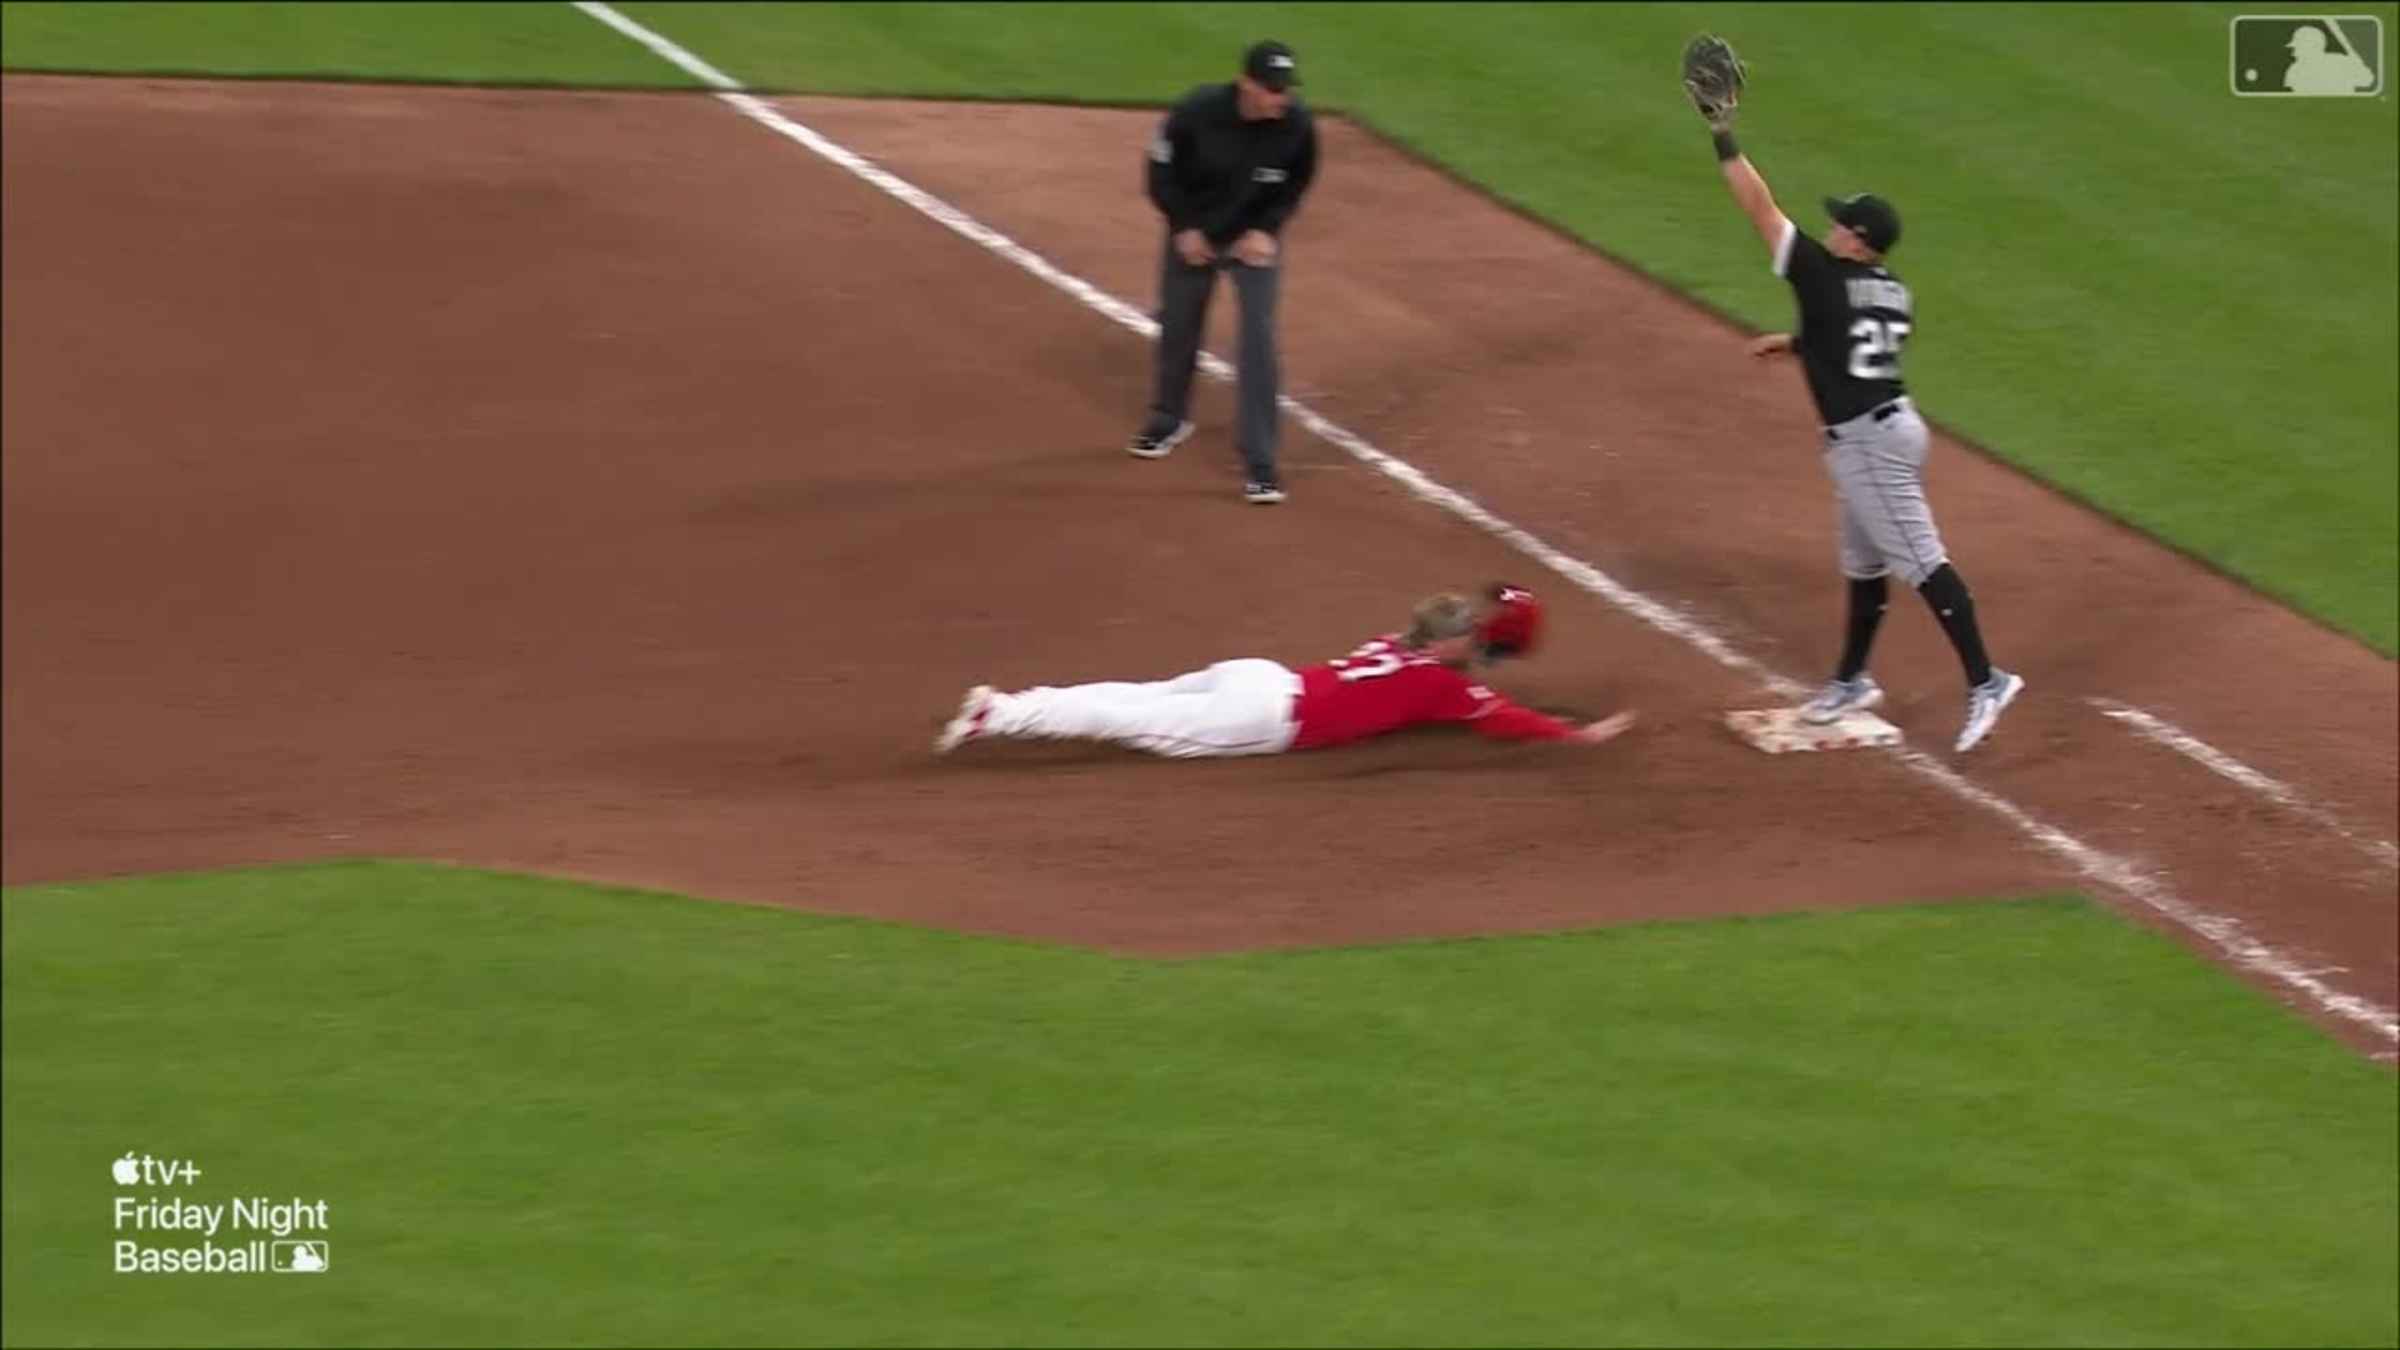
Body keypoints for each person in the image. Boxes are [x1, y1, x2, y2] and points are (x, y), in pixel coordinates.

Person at [1690, 44, 2024, 753]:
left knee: (1922, 562)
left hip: (1870, 443)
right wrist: (1799, 343)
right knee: (1864, 563)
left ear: (1858, 240)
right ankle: (1851, 680)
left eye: (1843, 223)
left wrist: (1722, 128)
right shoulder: (1892, 289)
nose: (1832, 226)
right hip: (1887, 426)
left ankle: (1987, 680)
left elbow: (1758, 204)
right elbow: (1856, 342)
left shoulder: (1819, 271)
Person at [934, 584, 1638, 758]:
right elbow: (1507, 718)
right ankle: (1000, 713)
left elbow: (1450, 642)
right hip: (1263, 717)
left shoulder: (1397, 643)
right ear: (1461, 646)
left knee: (1135, 695)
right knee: (1132, 719)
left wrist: (1474, 634)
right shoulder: (1444, 688)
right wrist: (1578, 736)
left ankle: (1014, 705)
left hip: (1261, 678)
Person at [1127, 39, 1320, 505]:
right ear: (1245, 84)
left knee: (1257, 338)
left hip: (1251, 239)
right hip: (1195, 230)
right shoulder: (1196, 112)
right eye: (1272, 89)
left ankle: (1261, 463)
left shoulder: (1297, 126)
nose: (1282, 97)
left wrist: (1267, 230)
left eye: (1285, 89)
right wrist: (1184, 228)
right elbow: (1159, 172)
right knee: (1178, 323)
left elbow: (1295, 182)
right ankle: (1169, 418)